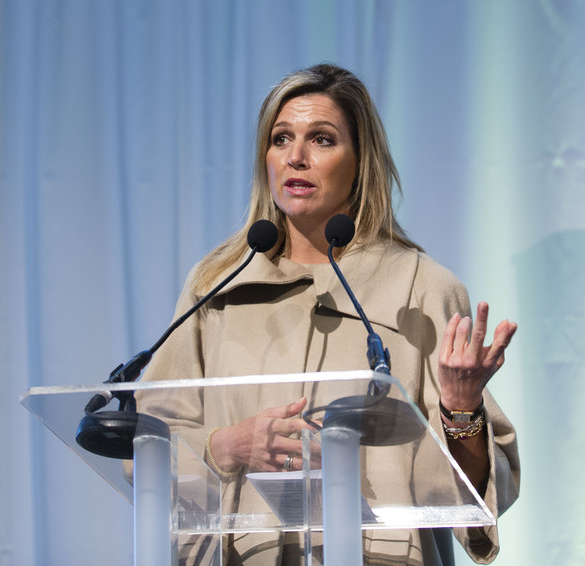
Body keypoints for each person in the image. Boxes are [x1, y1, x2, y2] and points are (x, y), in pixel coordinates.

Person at [137, 63, 519, 565]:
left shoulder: (422, 289)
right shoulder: (217, 286)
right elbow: (145, 441)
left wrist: (463, 410)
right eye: (280, 139)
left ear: (361, 161)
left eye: (321, 139)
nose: (295, 157)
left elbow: (473, 498)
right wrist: (223, 446)